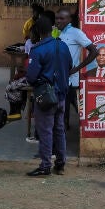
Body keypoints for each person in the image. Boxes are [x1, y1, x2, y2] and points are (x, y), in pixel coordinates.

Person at [25, 16, 71, 176]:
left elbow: (30, 77)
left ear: (37, 32)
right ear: (52, 29)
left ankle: (45, 166)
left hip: (46, 97)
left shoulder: (37, 50)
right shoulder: (63, 46)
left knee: (45, 131)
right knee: (59, 130)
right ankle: (60, 164)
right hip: (62, 95)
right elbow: (69, 66)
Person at [55, 8, 97, 130]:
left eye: (62, 18)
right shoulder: (55, 32)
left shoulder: (76, 33)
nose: (58, 21)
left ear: (69, 20)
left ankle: (62, 137)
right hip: (57, 78)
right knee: (62, 108)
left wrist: (77, 68)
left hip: (69, 80)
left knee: (64, 108)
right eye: (57, 18)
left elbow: (94, 51)